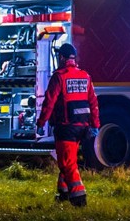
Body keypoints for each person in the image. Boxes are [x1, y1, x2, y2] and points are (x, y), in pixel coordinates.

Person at [36, 42, 100, 207]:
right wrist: (95, 125)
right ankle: (63, 193)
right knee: (68, 159)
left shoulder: (59, 76)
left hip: (65, 126)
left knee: (67, 163)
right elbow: (93, 102)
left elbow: (49, 102)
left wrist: (41, 122)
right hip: (82, 126)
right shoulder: (85, 75)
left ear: (62, 58)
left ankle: (79, 198)